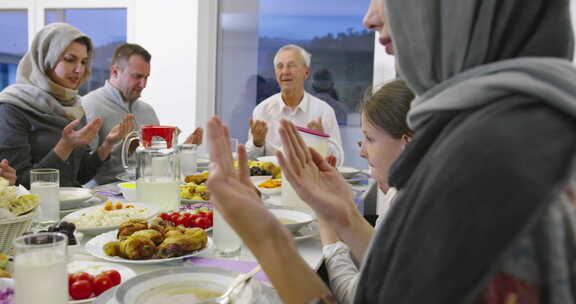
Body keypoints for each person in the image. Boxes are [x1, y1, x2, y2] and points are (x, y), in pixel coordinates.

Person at [205, 0, 576, 303]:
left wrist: (266, 238)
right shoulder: (522, 123)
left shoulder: (482, 165)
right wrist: (346, 215)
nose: (369, 18)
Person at [0, 23, 133, 188]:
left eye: (84, 62)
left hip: (73, 208)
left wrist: (107, 145)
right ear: (46, 58)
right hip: (36, 211)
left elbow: (78, 177)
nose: (79, 69)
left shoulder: (74, 106)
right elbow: (16, 185)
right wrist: (65, 145)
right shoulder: (12, 107)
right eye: (70, 60)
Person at [321, 79, 413, 303]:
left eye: (370, 138)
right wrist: (344, 211)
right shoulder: (401, 194)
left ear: (406, 144)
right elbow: (377, 261)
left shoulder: (407, 210)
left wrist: (330, 238)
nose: (362, 151)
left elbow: (357, 296)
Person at [82, 43, 202, 184]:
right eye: (137, 76)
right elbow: (84, 170)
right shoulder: (89, 106)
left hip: (147, 189)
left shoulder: (147, 110)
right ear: (115, 72)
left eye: (146, 77)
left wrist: (183, 150)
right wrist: (124, 149)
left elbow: (158, 162)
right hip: (106, 193)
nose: (143, 84)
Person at [246, 44, 342, 160]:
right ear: (276, 74)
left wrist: (321, 142)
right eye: (280, 66)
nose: (285, 71)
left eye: (291, 66)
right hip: (272, 177)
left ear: (306, 73)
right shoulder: (262, 110)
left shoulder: (323, 111)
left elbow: (338, 160)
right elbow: (250, 160)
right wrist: (257, 143)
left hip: (310, 177)